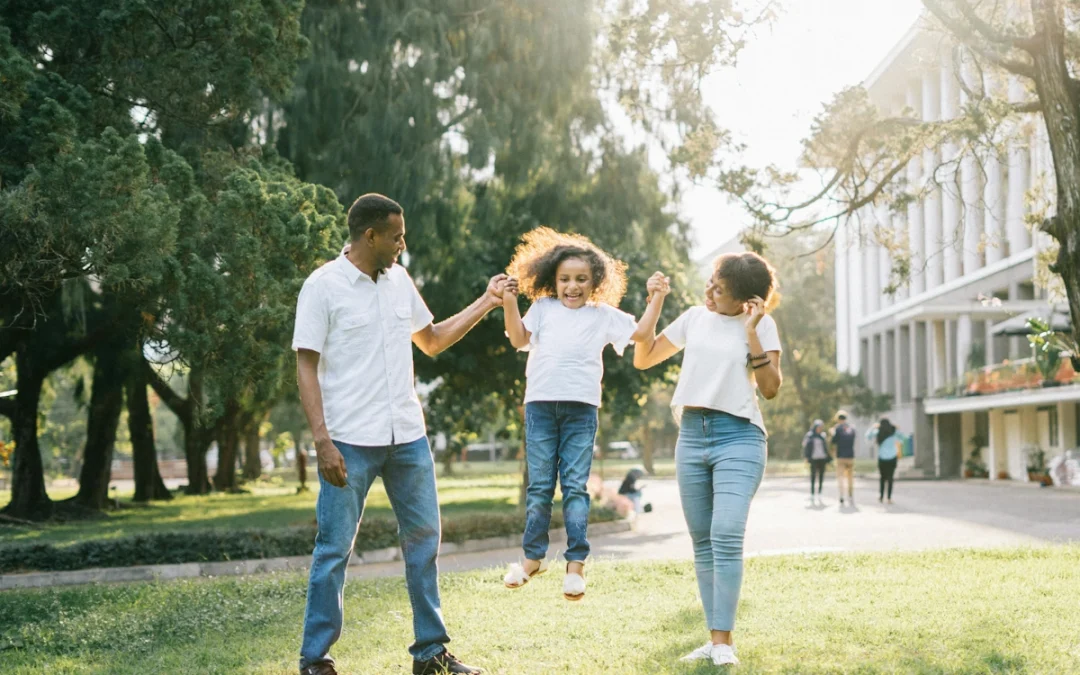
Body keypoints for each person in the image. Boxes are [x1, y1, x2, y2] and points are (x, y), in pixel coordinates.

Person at [292, 194, 499, 675]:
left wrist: (487, 301)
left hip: (407, 437)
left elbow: (432, 340)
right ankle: (315, 660)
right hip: (348, 441)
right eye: (397, 236)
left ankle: (431, 654)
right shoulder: (323, 287)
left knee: (424, 541)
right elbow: (305, 364)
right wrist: (321, 440)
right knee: (333, 550)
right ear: (370, 236)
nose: (403, 244)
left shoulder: (399, 280)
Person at [499, 227, 668, 601]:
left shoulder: (603, 315)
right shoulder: (543, 309)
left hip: (581, 410)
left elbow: (641, 333)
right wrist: (509, 302)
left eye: (581, 279)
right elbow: (518, 339)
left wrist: (655, 298)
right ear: (552, 280)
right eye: (564, 279)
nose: (572, 286)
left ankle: (576, 566)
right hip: (541, 406)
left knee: (575, 487)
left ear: (596, 282)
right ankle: (532, 559)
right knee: (540, 487)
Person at [633, 251, 782, 667]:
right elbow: (642, 358)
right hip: (692, 436)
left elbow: (770, 388)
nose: (711, 292)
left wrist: (751, 332)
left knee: (726, 533)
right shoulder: (695, 318)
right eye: (712, 283)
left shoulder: (762, 324)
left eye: (721, 290)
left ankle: (723, 644)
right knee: (703, 543)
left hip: (740, 436)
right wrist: (656, 301)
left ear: (747, 301)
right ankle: (716, 640)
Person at [831, 410, 857, 505]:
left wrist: (832, 432)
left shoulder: (837, 429)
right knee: (850, 477)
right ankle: (850, 495)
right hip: (850, 456)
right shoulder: (852, 428)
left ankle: (842, 495)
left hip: (841, 456)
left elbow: (833, 441)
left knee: (840, 477)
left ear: (838, 419)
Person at [803, 419, 831, 503]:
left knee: (821, 476)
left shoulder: (823, 436)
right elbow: (805, 446)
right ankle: (812, 494)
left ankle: (820, 493)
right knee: (813, 476)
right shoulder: (810, 435)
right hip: (813, 459)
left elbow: (826, 447)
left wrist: (828, 457)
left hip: (822, 458)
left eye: (821, 427)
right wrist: (806, 457)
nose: (819, 429)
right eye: (818, 427)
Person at [875, 418, 900, 504]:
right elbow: (903, 438)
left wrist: (874, 427)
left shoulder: (879, 432)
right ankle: (889, 498)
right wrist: (897, 428)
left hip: (882, 458)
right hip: (892, 458)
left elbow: (868, 435)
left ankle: (881, 497)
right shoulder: (894, 432)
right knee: (890, 478)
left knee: (882, 478)